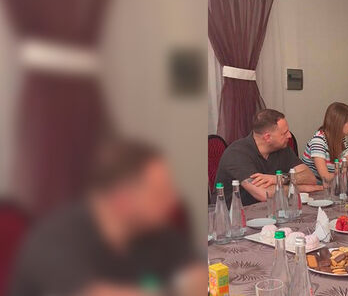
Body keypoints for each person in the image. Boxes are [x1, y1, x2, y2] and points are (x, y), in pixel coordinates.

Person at [11, 138, 204, 296]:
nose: (173, 199)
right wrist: (175, 290)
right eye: (160, 193)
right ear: (122, 200)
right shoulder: (55, 238)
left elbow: (200, 277)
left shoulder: (156, 232)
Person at [215, 109, 320, 206]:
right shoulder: (237, 153)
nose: (289, 136)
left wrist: (279, 179)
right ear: (267, 137)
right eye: (284, 133)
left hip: (270, 209)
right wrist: (303, 188)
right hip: (234, 214)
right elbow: (263, 194)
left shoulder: (282, 148)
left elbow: (310, 178)